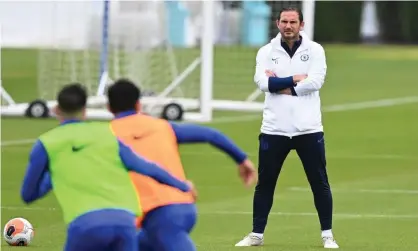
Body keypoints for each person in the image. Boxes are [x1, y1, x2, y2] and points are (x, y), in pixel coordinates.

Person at [20, 83, 197, 251]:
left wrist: (53, 176)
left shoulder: (47, 143)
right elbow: (147, 168)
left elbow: (28, 195)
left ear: (56, 110)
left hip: (86, 225)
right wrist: (182, 186)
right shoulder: (107, 134)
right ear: (85, 111)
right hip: (125, 223)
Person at [106, 78, 257, 251]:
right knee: (140, 243)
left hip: (156, 213)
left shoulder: (107, 136)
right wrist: (242, 159)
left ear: (109, 108)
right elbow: (210, 135)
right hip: (179, 206)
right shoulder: (163, 126)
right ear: (139, 105)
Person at [234, 7, 339, 249]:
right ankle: (256, 234)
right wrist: (293, 79)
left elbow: (315, 82)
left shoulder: (314, 50)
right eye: (284, 22)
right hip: (274, 128)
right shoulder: (266, 52)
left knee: (319, 182)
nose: (288, 26)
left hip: (308, 129)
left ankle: (327, 235)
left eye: (293, 22)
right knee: (266, 184)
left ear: (301, 24)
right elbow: (262, 82)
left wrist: (279, 84)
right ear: (277, 24)